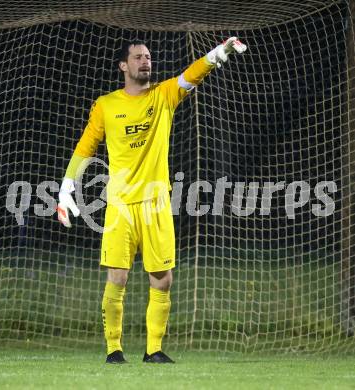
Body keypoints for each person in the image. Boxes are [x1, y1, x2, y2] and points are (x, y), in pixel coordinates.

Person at [57, 37, 247, 364]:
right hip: (119, 206)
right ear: (123, 65)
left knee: (163, 278)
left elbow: (191, 75)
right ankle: (114, 350)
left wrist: (219, 54)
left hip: (157, 203)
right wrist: (65, 189)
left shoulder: (163, 95)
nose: (146, 61)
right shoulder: (106, 105)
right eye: (138, 57)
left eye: (148, 57)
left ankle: (153, 350)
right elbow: (86, 146)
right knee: (117, 276)